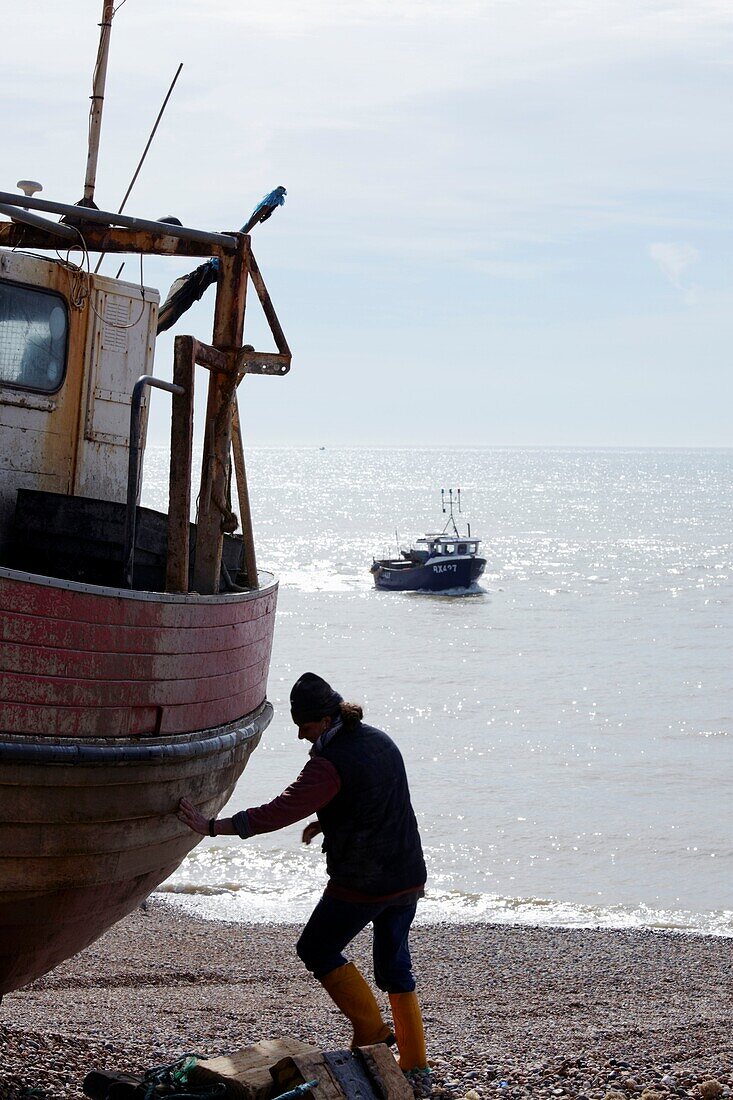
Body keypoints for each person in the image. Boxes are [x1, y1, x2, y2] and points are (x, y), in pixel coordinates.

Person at [178, 672, 429, 1090]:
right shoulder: (380, 741)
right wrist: (326, 821)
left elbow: (278, 811)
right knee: (395, 967)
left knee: (316, 947)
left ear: (326, 720)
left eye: (304, 727)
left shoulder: (328, 763)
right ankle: (415, 1065)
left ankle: (372, 1032)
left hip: (363, 882)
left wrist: (212, 826)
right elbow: (376, 801)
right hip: (407, 876)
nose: (299, 736)